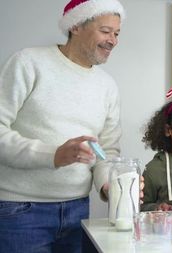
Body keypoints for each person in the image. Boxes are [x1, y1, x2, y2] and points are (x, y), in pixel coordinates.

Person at [0, 0, 126, 252]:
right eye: (105, 31)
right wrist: (53, 155)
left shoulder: (107, 86)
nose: (112, 40)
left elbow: (106, 151)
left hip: (79, 210)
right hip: (21, 212)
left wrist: (109, 184)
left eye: (116, 33)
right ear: (76, 26)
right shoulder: (28, 62)